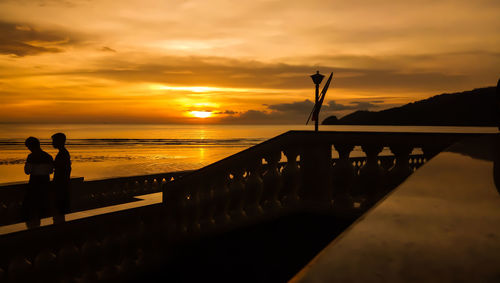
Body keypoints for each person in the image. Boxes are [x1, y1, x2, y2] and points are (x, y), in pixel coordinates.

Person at [24, 136, 54, 228]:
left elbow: (27, 171)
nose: (28, 148)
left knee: (32, 208)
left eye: (28, 146)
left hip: (34, 184)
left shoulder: (31, 156)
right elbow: (50, 171)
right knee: (43, 207)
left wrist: (35, 169)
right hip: (45, 183)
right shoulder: (48, 156)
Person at [51, 132, 71, 223]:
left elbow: (62, 169)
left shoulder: (63, 154)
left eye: (53, 141)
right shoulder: (64, 153)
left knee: (59, 209)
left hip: (61, 185)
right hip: (62, 184)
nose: (52, 143)